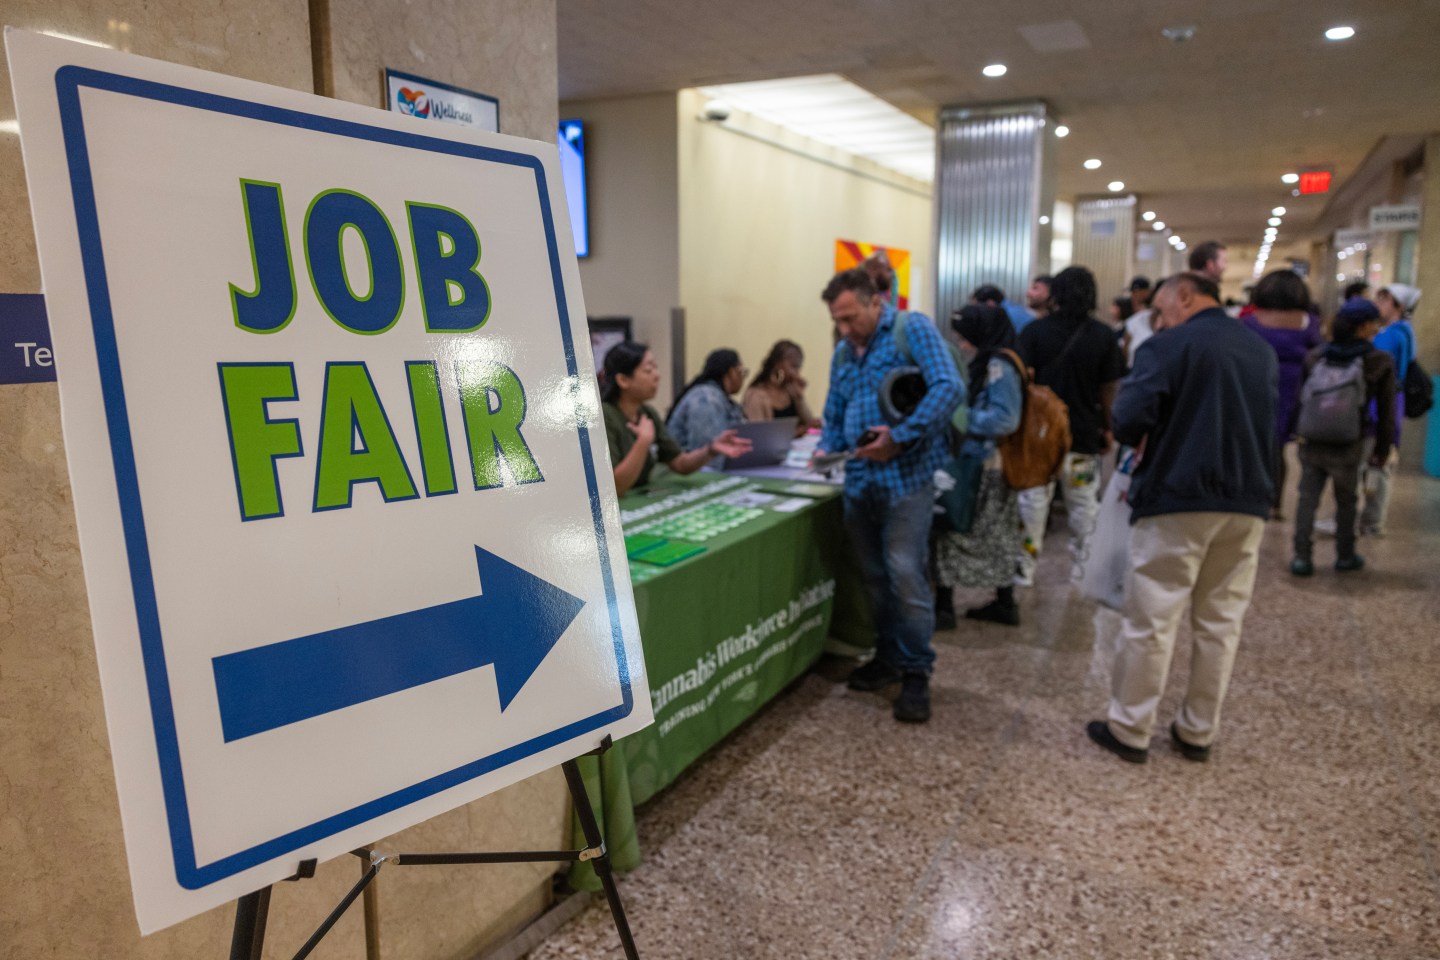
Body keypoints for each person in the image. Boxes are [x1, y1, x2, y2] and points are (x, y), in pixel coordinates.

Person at [1086, 273, 1276, 764]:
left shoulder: (1167, 347)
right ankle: (1197, 731)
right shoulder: (1260, 349)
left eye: (1164, 309)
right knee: (1220, 621)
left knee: (1153, 616)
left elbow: (1128, 419)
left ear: (1186, 296)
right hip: (1248, 499)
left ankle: (1129, 729)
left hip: (1177, 496)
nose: (1160, 318)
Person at [817, 268, 962, 723]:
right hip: (860, 483)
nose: (843, 328)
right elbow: (834, 410)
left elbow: (948, 387)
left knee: (904, 574)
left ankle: (917, 670)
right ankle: (888, 656)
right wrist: (827, 447)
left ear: (875, 302)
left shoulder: (909, 328)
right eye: (836, 321)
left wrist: (900, 436)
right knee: (875, 578)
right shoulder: (843, 353)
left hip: (906, 480)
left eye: (849, 317)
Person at [1014, 266, 1127, 585]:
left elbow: (1022, 380)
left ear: (1055, 294)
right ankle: (1083, 568)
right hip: (1083, 431)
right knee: (1083, 505)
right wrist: (1108, 428)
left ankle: (1024, 569)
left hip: (1040, 435)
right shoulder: (1104, 336)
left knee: (1033, 503)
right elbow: (1109, 389)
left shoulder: (1035, 332)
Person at [933, 304, 1025, 627]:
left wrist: (961, 418)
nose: (961, 344)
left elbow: (1005, 418)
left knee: (951, 528)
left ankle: (944, 608)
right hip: (985, 461)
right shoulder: (993, 360)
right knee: (995, 534)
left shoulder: (998, 365)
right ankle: (1003, 601)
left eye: (965, 337)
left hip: (986, 464)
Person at [1291, 299, 1396, 575]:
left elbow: (1300, 399)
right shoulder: (1378, 362)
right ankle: (1345, 555)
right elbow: (1386, 412)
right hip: (1349, 441)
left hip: (1313, 439)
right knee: (1347, 500)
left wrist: (1295, 431)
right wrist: (1383, 448)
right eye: (1373, 323)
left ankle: (1301, 557)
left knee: (1307, 498)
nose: (1376, 328)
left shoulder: (1316, 357)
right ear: (1362, 327)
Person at [601, 341, 750, 496]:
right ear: (623, 380)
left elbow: (680, 463)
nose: (657, 375)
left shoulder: (647, 413)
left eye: (655, 368)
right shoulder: (604, 416)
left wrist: (710, 450)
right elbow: (612, 488)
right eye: (648, 370)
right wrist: (643, 442)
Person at [1243, 269, 1323, 520]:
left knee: (1258, 448)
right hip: (1297, 392)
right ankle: (1276, 502)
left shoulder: (1250, 321)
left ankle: (1254, 496)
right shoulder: (1309, 322)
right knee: (1280, 452)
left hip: (1256, 388)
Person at [1361, 283, 1422, 535]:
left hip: (1381, 407)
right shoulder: (1403, 332)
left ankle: (1372, 520)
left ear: (1398, 306)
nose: (1378, 305)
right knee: (1378, 463)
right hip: (1388, 406)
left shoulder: (1391, 336)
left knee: (1377, 463)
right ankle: (1371, 519)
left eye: (1384, 300)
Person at [667, 348, 747, 460]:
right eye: (742, 372)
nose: (743, 378)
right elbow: (706, 452)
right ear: (732, 372)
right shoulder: (706, 399)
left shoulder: (721, 398)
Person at [742, 339, 820, 431]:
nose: (797, 373)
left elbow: (809, 422)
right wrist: (795, 433)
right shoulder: (755, 395)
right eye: (793, 366)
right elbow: (759, 434)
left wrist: (800, 397)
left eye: (799, 367)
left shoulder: (790, 391)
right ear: (778, 364)